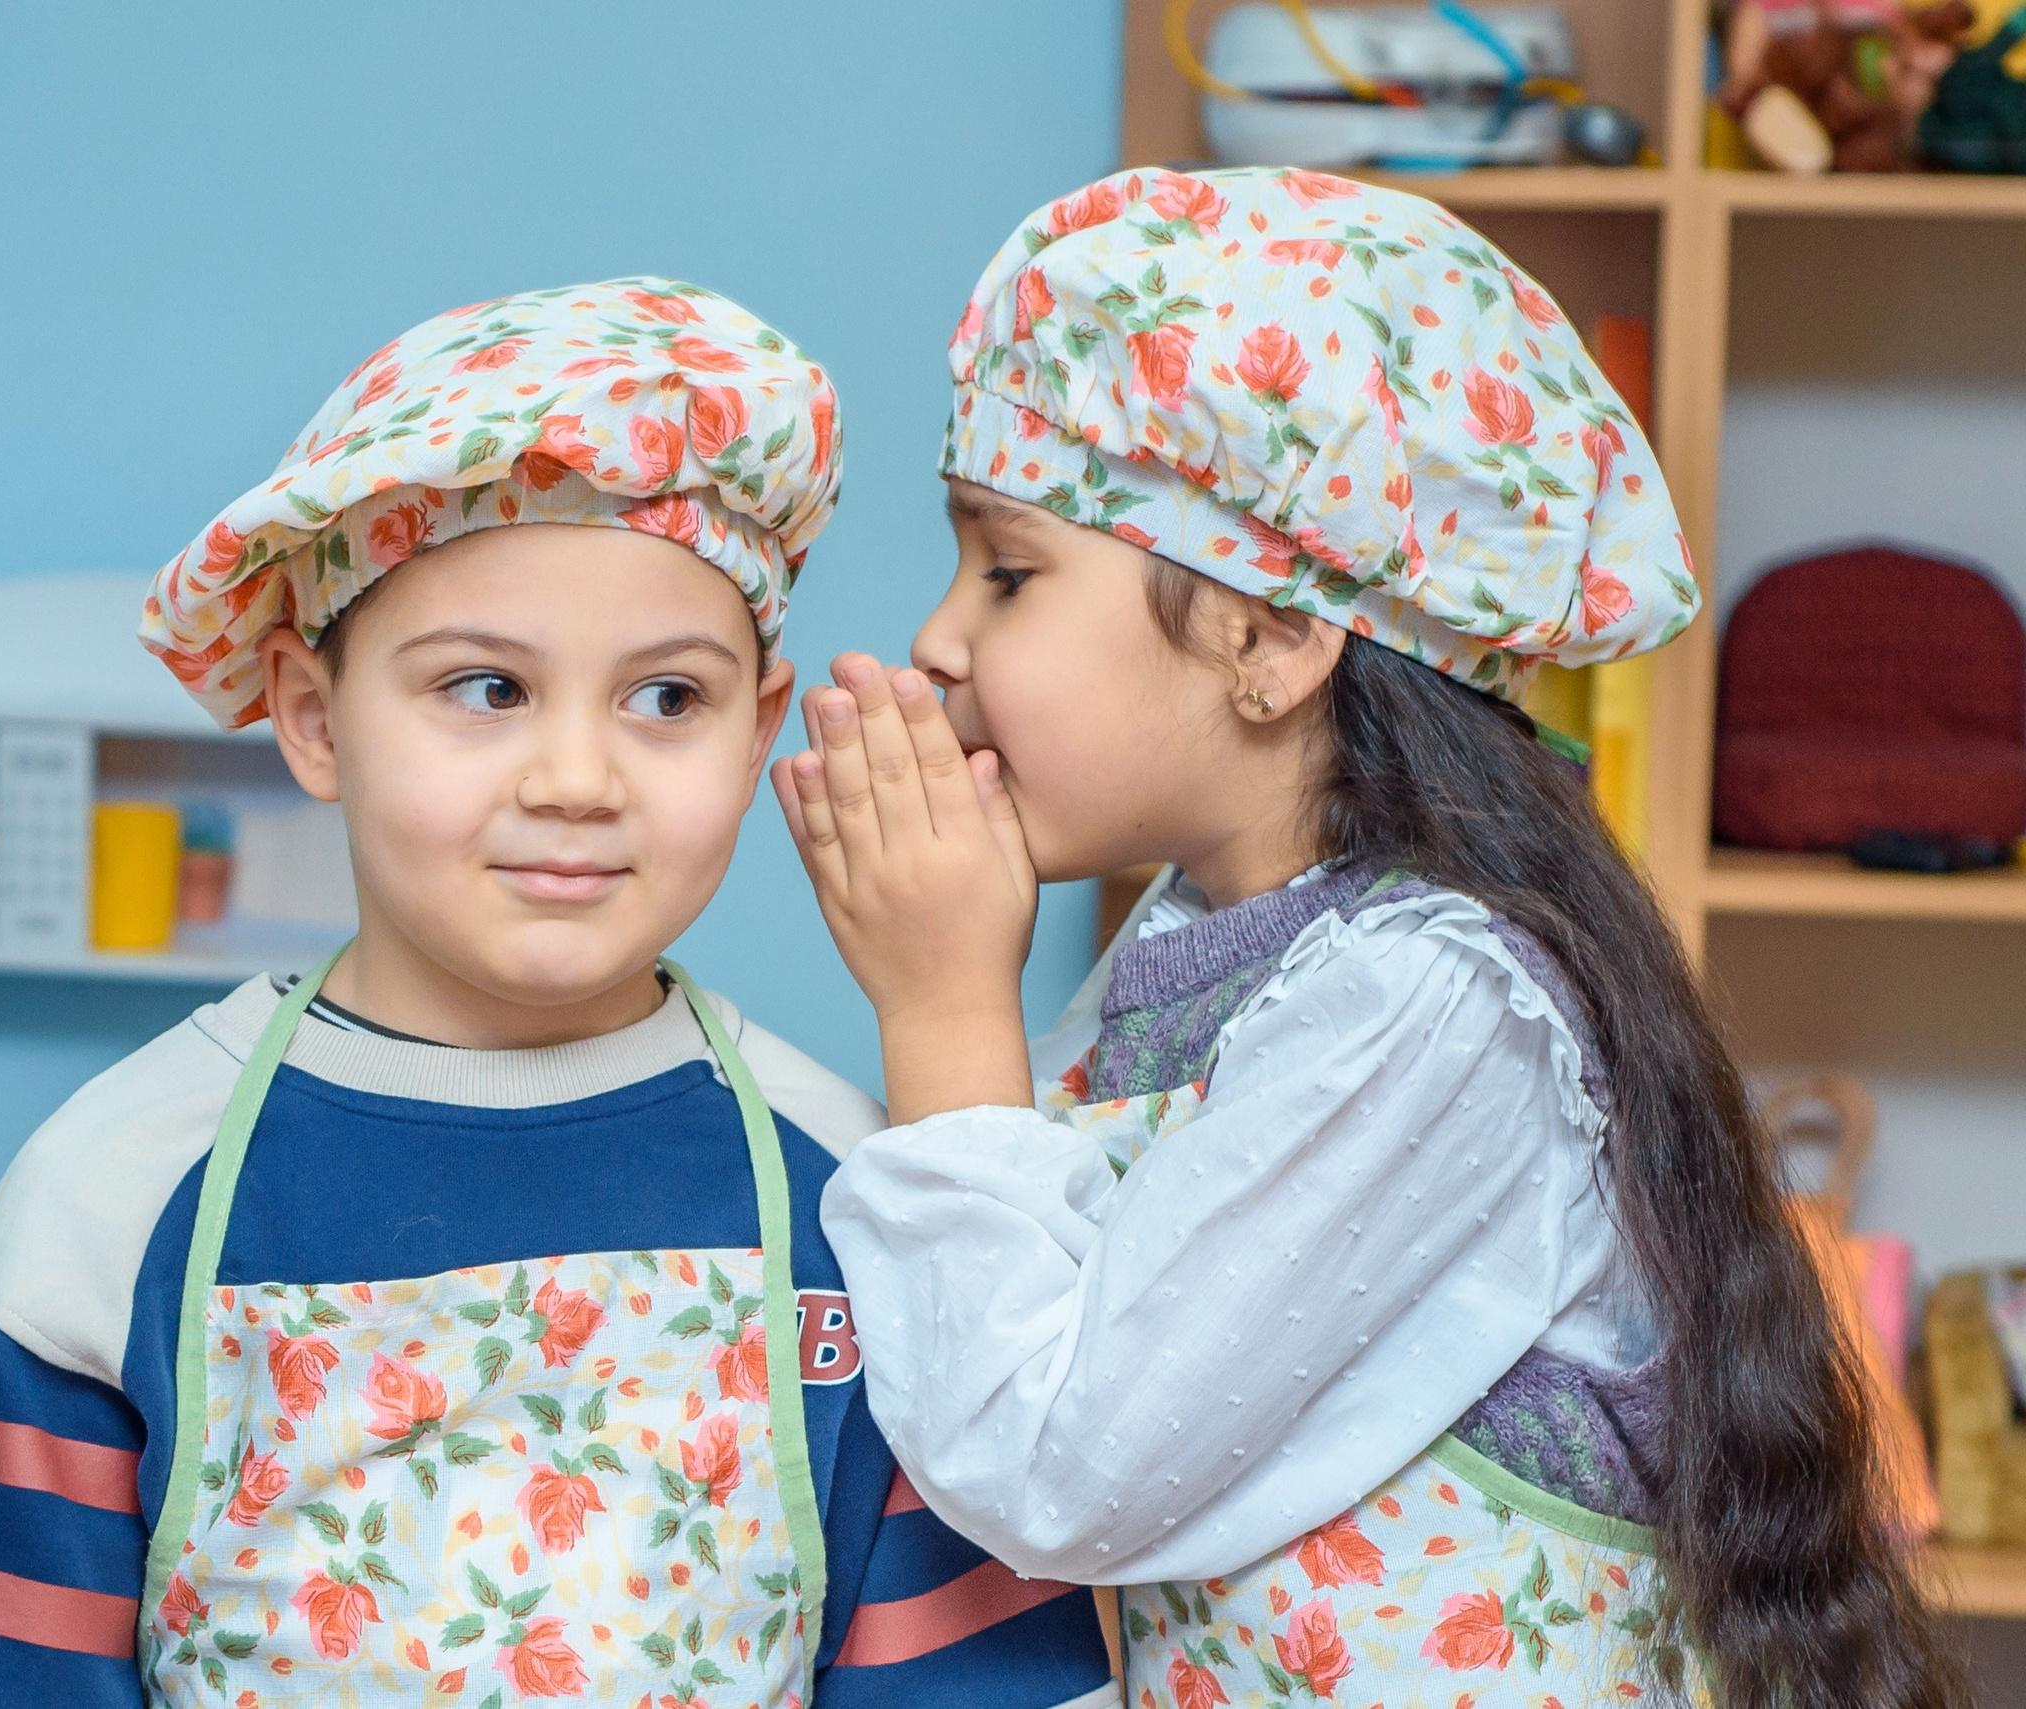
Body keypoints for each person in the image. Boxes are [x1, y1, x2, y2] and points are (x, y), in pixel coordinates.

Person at [777, 170, 1962, 1709]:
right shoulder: (1210, 942)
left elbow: (1048, 1466)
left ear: (1269, 639)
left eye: (1006, 570)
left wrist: (940, 1001)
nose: (940, 636)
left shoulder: (1437, 1007)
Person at [0, 279, 1118, 1709]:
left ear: (762, 726)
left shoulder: (853, 1199)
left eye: (667, 700)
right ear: (315, 719)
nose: (577, 779)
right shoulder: (117, 1188)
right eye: (486, 689)